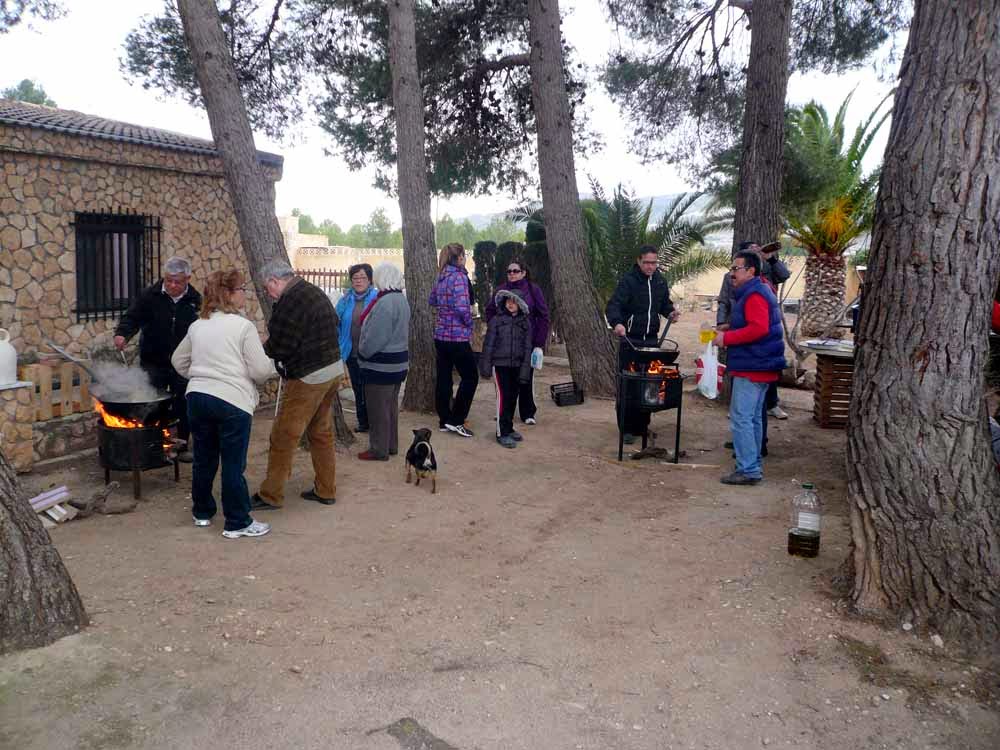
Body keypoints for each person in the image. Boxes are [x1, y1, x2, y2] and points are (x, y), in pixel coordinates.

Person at [171, 270, 276, 538]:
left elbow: (178, 361)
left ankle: (202, 512)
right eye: (241, 289)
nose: (244, 294)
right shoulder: (243, 327)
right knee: (232, 463)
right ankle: (237, 522)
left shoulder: (198, 326)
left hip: (198, 397)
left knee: (203, 459)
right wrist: (272, 367)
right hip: (232, 400)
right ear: (228, 293)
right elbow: (260, 370)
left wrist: (200, 376)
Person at [252, 259, 343, 510]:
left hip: (309, 376)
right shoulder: (313, 291)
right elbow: (335, 323)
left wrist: (260, 347)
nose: (268, 294)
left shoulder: (289, 302)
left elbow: (280, 347)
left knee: (283, 435)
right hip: (333, 369)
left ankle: (271, 495)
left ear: (274, 281)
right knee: (321, 432)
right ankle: (326, 489)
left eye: (267, 288)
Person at [114, 256, 201, 462]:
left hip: (183, 365)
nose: (172, 285)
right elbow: (132, 317)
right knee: (153, 403)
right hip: (153, 361)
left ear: (187, 279)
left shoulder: (195, 300)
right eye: (168, 280)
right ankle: (153, 445)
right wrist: (122, 334)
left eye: (177, 282)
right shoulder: (150, 296)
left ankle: (181, 446)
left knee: (183, 404)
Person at [712, 250, 786, 485]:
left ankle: (748, 469)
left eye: (736, 269)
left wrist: (726, 339)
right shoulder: (758, 290)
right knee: (752, 418)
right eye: (731, 269)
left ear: (751, 271)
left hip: (753, 365)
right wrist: (730, 326)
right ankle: (752, 463)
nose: (732, 273)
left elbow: (758, 328)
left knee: (742, 417)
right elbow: (754, 322)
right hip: (761, 364)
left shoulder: (754, 294)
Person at [605, 245, 680, 444]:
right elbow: (613, 305)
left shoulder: (660, 281)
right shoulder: (628, 281)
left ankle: (642, 426)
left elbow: (664, 304)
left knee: (650, 384)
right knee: (628, 384)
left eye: (653, 263)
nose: (650, 266)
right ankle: (627, 428)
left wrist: (670, 312)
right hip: (631, 340)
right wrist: (617, 323)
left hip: (652, 341)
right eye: (646, 262)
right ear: (639, 261)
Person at [484, 258, 550, 425]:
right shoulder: (501, 290)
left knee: (525, 378)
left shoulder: (533, 290)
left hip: (526, 343)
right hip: (505, 344)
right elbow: (490, 310)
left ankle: (527, 412)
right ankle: (504, 412)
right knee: (505, 382)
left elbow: (543, 316)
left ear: (523, 273)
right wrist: (498, 328)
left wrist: (539, 343)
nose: (511, 274)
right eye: (509, 271)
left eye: (515, 271)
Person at [357, 263, 410, 461]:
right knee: (390, 408)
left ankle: (379, 450)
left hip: (381, 367)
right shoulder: (401, 299)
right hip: (397, 364)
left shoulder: (385, 303)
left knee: (378, 410)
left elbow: (375, 338)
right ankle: (391, 445)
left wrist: (362, 352)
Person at [429, 242, 477, 438]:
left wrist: (444, 308)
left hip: (441, 336)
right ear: (459, 258)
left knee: (444, 378)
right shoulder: (459, 277)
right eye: (464, 255)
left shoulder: (441, 276)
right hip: (457, 337)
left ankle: (444, 419)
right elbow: (462, 308)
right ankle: (456, 420)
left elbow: (432, 300)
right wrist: (470, 324)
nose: (465, 258)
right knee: (471, 377)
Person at [480, 289, 533, 449]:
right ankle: (501, 432)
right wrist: (485, 366)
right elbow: (488, 344)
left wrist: (525, 370)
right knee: (503, 398)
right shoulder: (496, 320)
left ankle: (508, 428)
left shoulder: (525, 323)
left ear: (521, 304)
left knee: (512, 397)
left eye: (514, 301)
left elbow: (527, 347)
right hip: (500, 366)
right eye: (508, 301)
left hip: (517, 366)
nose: (510, 304)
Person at [336, 263, 379, 433]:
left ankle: (375, 422)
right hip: (351, 353)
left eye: (362, 277)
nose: (359, 281)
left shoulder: (377, 298)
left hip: (371, 354)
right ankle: (363, 422)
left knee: (372, 389)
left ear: (370, 280)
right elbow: (335, 321)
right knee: (357, 388)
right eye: (355, 278)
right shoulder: (345, 300)